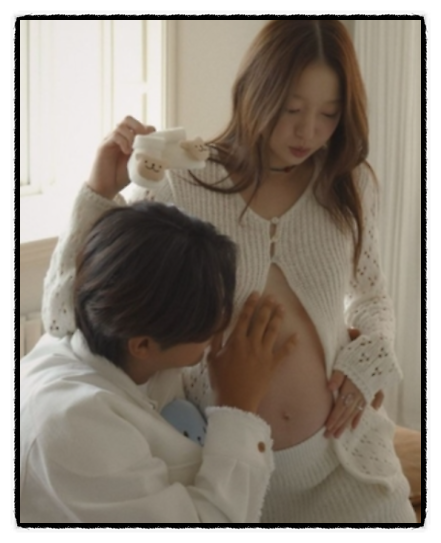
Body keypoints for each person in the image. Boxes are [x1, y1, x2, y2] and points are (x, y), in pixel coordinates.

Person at [41, 20, 416, 523]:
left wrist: (371, 354)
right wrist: (95, 195)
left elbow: (371, 297)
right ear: (255, 91)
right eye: (292, 110)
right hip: (232, 473)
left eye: (329, 114)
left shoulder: (347, 184)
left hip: (345, 464)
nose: (308, 132)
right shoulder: (181, 181)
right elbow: (64, 316)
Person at [20, 180, 297, 523]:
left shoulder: (94, 322)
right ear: (143, 345)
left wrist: (100, 188)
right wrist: (238, 406)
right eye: (207, 328)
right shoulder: (77, 425)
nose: (219, 334)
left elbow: (67, 274)